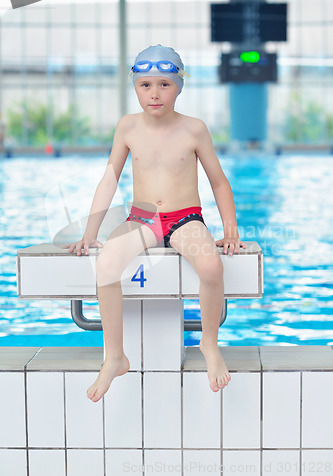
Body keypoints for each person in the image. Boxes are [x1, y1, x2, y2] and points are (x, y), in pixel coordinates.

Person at [64, 44, 246, 403]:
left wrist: (230, 231)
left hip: (185, 218)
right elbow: (109, 179)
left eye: (164, 84)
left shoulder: (194, 129)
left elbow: (219, 181)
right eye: (145, 85)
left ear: (180, 86)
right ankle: (115, 355)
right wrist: (89, 233)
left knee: (211, 265)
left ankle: (209, 344)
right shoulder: (127, 127)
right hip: (143, 218)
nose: (155, 93)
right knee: (107, 264)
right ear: (135, 86)